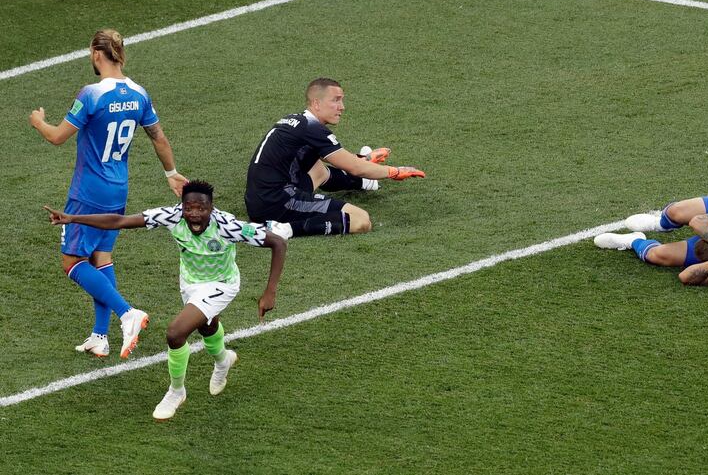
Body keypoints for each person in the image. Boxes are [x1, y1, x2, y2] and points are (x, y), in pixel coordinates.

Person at [46, 180, 288, 420]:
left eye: (201, 209)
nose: (194, 215)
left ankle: (176, 391)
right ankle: (223, 360)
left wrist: (270, 292)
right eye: (189, 208)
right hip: (190, 283)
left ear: (211, 209)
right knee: (207, 326)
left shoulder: (228, 225)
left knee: (175, 333)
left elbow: (277, 242)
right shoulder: (172, 216)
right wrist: (72, 218)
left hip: (222, 285)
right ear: (181, 206)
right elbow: (120, 221)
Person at [29, 29, 187, 358]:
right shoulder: (139, 93)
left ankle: (128, 313)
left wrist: (38, 122)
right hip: (118, 188)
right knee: (101, 257)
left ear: (98, 54)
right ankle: (100, 336)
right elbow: (158, 136)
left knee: (72, 262)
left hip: (88, 191)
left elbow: (58, 137)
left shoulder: (91, 94)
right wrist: (171, 174)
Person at [244, 78, 426, 238]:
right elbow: (355, 168)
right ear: (316, 103)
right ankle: (285, 229)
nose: (342, 107)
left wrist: (365, 158)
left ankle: (364, 183)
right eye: (336, 100)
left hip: (259, 199)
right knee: (361, 221)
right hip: (278, 203)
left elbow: (345, 161)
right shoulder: (313, 129)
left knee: (318, 169)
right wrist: (395, 172)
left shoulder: (296, 121)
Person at [594, 196, 708, 286]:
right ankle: (661, 223)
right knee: (677, 212)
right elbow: (698, 222)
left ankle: (633, 240)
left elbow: (685, 277)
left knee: (656, 255)